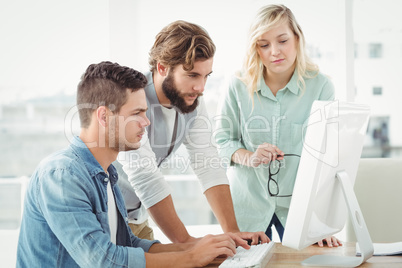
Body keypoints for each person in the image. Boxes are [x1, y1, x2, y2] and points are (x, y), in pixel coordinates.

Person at [16, 61, 250, 268]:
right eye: (137, 113)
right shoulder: (62, 176)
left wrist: (199, 247)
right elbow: (103, 260)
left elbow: (129, 244)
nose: (147, 122)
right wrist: (190, 258)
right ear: (104, 117)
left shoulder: (108, 176)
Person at [117, 20, 268, 244]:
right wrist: (187, 245)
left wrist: (232, 231)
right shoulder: (131, 98)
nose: (201, 87)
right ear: (162, 67)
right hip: (105, 218)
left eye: (206, 76)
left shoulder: (191, 100)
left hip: (137, 220)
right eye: (192, 75)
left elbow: (207, 162)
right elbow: (145, 177)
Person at [214, 4, 342, 247]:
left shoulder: (322, 87)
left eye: (282, 40)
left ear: (297, 38)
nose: (275, 51)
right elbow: (222, 141)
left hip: (301, 212)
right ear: (256, 49)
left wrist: (320, 223)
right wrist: (250, 157)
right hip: (247, 208)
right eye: (264, 45)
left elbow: (326, 160)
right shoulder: (237, 85)